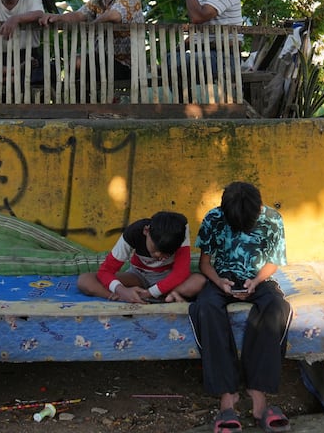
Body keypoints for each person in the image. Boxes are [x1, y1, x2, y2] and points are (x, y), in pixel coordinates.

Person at [188, 182, 292, 433]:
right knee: (205, 308)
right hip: (220, 279)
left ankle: (258, 396)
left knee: (277, 307)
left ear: (258, 210)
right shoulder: (214, 218)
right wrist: (219, 282)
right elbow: (205, 264)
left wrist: (256, 281)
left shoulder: (273, 220)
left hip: (258, 280)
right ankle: (227, 395)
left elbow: (273, 263)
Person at [39, 0, 144, 80]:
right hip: (102, 62)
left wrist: (91, 26)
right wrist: (57, 17)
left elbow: (114, 16)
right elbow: (79, 15)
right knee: (73, 65)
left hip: (128, 65)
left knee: (77, 63)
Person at [76, 211, 206, 303]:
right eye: (155, 249)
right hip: (139, 276)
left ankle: (153, 296)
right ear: (146, 231)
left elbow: (180, 273)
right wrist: (121, 291)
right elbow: (106, 271)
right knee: (85, 280)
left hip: (169, 277)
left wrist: (150, 293)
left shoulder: (181, 232)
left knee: (199, 281)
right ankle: (126, 298)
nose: (158, 256)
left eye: (166, 253)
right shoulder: (134, 232)